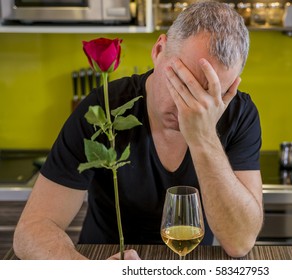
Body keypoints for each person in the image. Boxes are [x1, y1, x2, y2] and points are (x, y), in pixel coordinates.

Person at [13, 1, 263, 260]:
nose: (188, 109)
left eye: (211, 95)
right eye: (182, 84)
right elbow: (31, 230)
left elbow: (239, 243)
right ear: (158, 50)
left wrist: (203, 138)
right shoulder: (105, 107)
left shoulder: (239, 114)